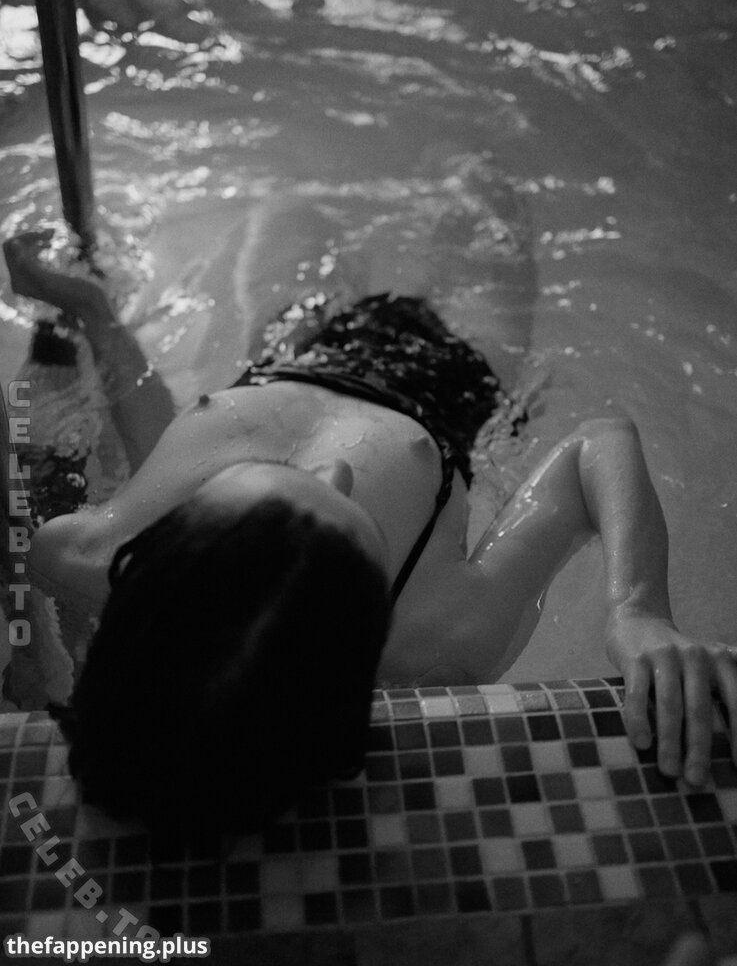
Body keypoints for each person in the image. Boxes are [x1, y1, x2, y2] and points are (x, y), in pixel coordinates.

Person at [2, 213, 736, 840]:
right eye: (360, 525)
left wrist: (93, 311)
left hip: (286, 350)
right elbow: (599, 443)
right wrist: (637, 608)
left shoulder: (84, 551)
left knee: (296, 203)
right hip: (452, 375)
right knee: (481, 199)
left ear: (171, 540)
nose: (333, 471)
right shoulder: (441, 638)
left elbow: (157, 448)